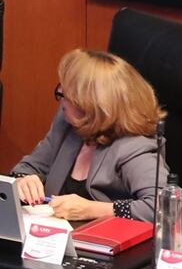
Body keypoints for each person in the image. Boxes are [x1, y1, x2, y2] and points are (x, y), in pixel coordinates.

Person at [11, 49, 166, 222]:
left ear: (91, 106)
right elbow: (26, 168)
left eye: (67, 95)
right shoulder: (68, 124)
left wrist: (93, 210)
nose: (61, 98)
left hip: (102, 243)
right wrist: (22, 182)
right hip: (51, 239)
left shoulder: (134, 146)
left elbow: (161, 207)